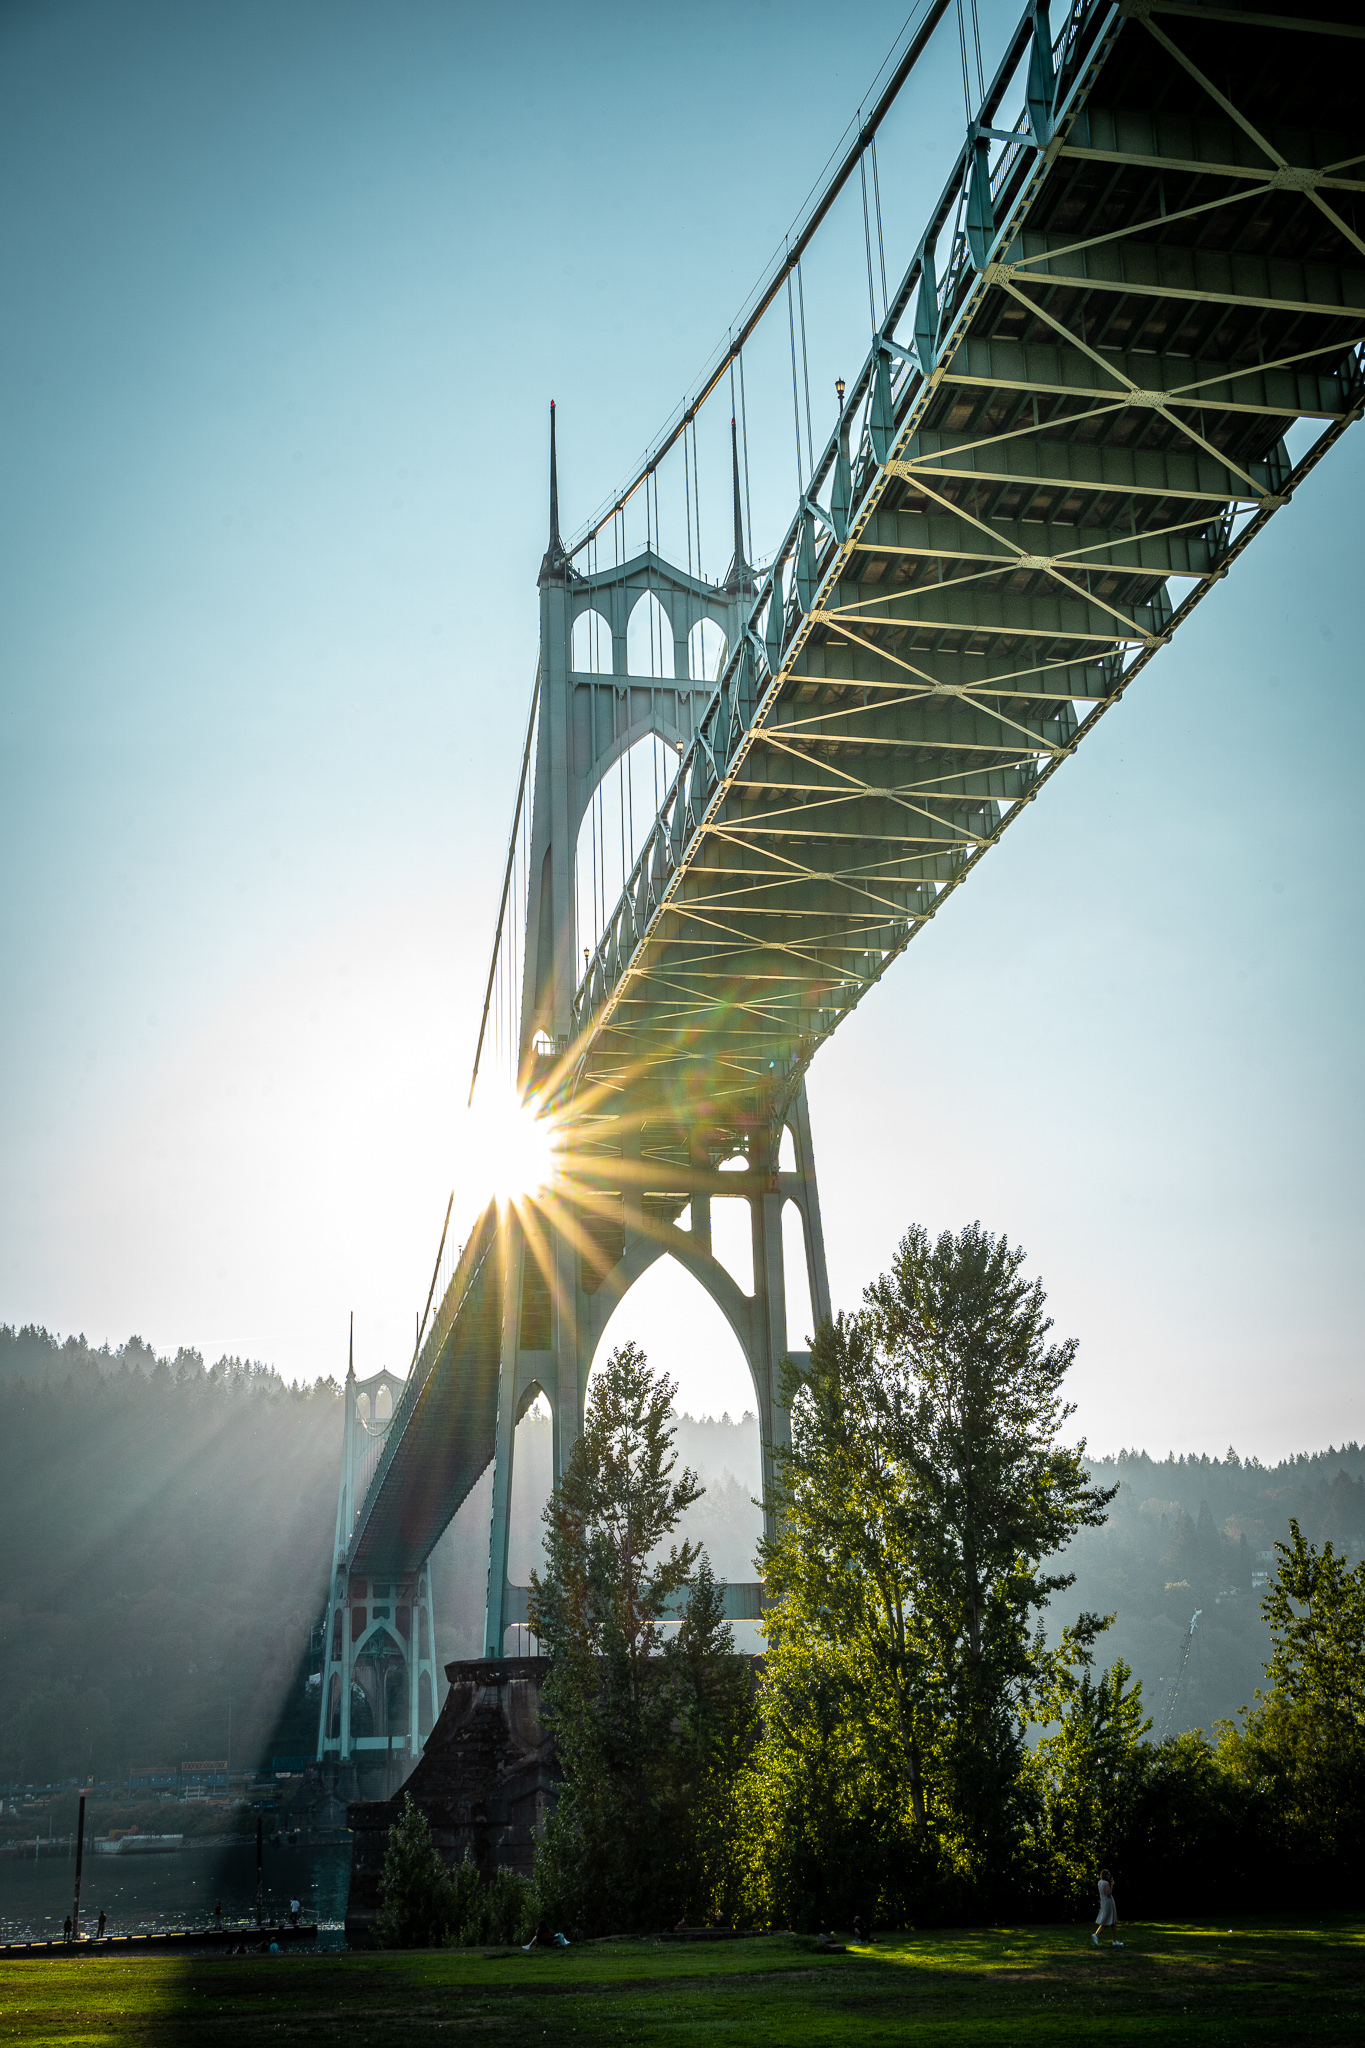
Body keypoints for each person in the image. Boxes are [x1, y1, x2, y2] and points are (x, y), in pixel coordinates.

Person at [1093, 1869, 1123, 1948]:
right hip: (1108, 1903)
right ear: (1105, 1875)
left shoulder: (1099, 1882)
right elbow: (1109, 1894)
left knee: (1112, 1922)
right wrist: (1112, 1885)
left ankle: (1114, 1941)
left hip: (1103, 1902)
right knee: (1108, 1921)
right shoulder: (1106, 1883)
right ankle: (1096, 1934)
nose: (1109, 1876)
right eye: (1108, 1875)